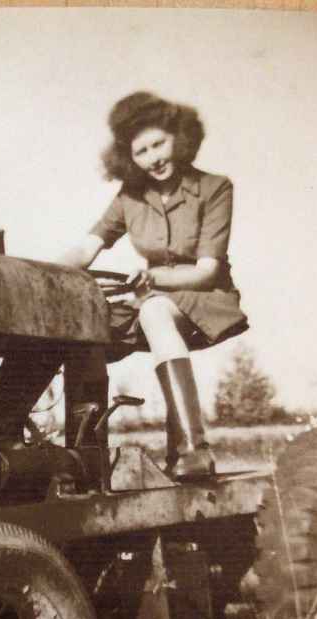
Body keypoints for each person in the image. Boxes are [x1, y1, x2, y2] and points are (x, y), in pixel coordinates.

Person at [60, 91, 249, 478]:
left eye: (159, 143)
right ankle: (83, 461)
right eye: (142, 151)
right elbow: (87, 247)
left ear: (180, 138)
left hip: (204, 297)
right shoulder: (129, 197)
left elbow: (206, 271)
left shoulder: (215, 188)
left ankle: (193, 450)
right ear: (129, 158)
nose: (154, 157)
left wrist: (152, 278)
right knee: (82, 327)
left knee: (154, 309)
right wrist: (36, 272)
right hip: (151, 299)